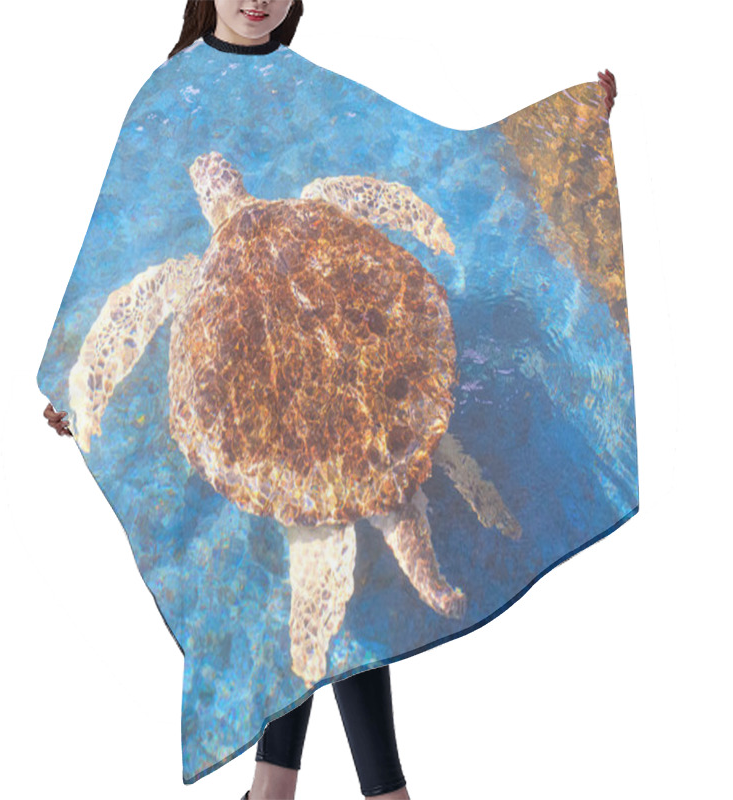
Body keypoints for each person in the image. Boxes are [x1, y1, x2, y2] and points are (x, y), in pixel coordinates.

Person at [42, 3, 618, 798]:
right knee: (339, 579)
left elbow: (423, 152)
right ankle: (358, 788)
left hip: (283, 406)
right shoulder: (166, 94)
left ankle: (284, 789)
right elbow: (117, 238)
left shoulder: (294, 83)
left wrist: (572, 125)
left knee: (322, 584)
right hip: (327, 381)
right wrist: (74, 386)